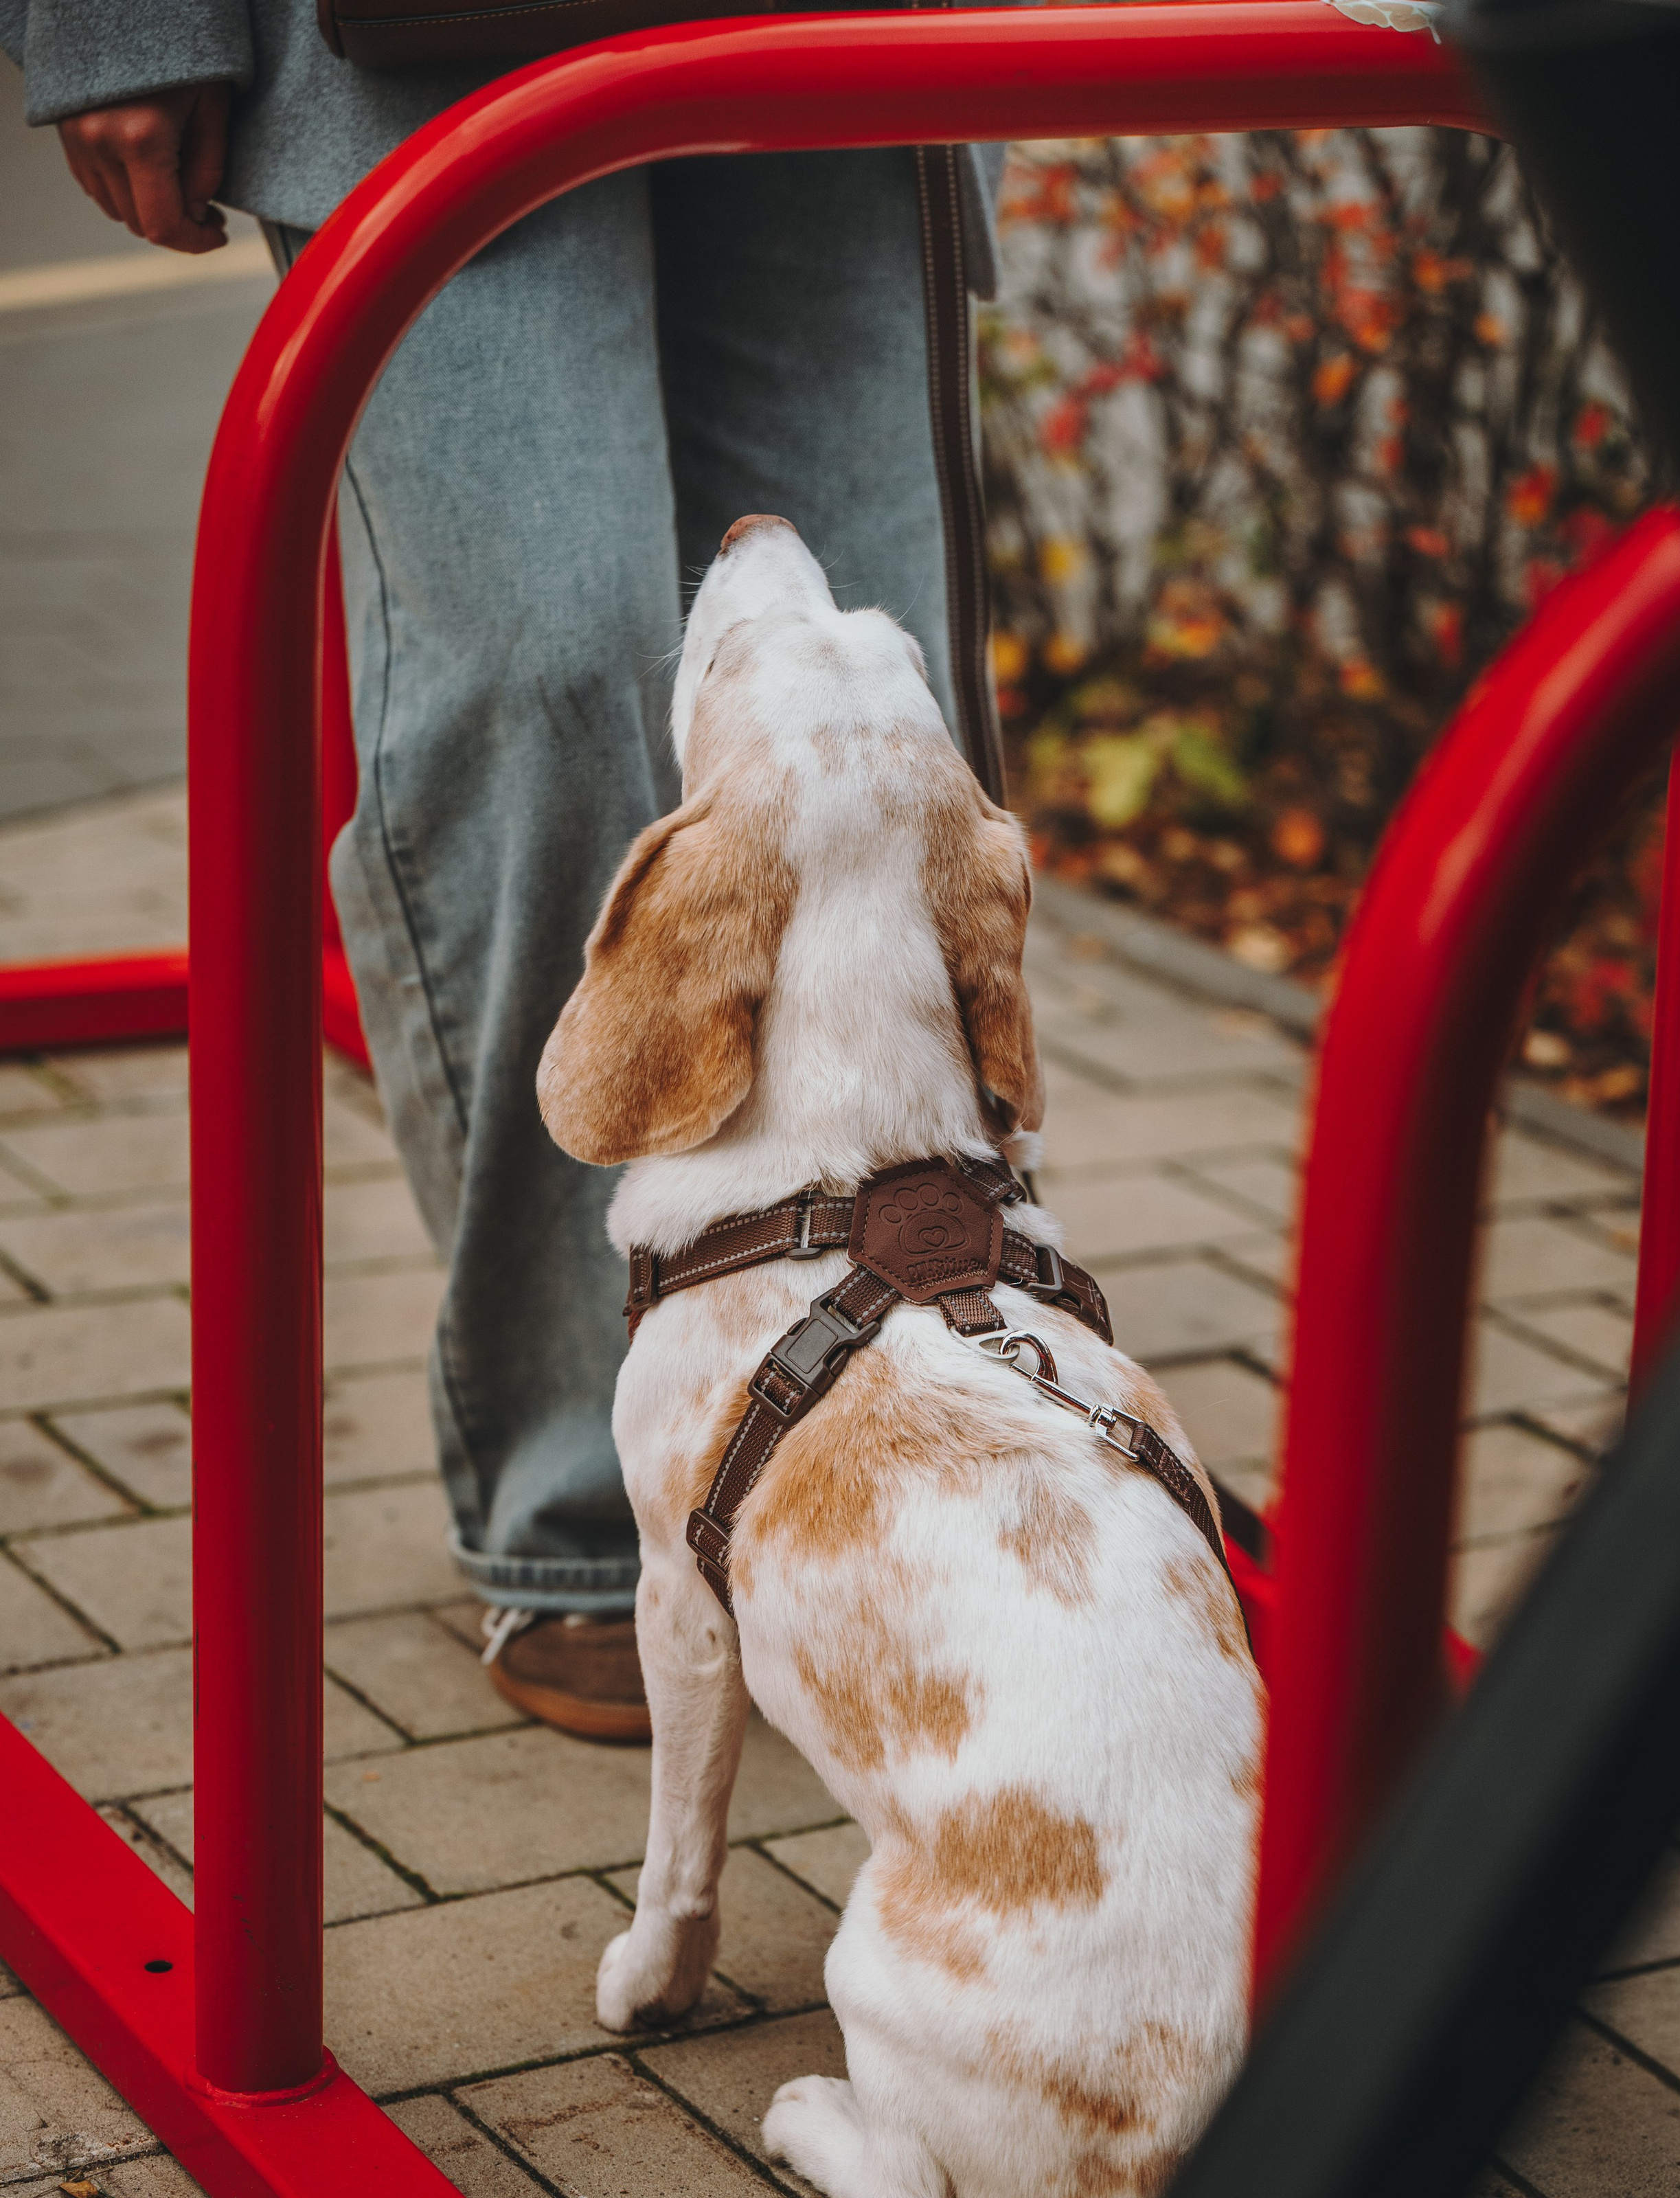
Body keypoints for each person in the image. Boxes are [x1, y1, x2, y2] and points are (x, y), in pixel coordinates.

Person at [2, 2, 1004, 1740]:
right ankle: (572, 1498)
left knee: (872, 685)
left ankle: (882, 1406)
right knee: (546, 686)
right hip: (422, 41)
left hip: (839, 23)